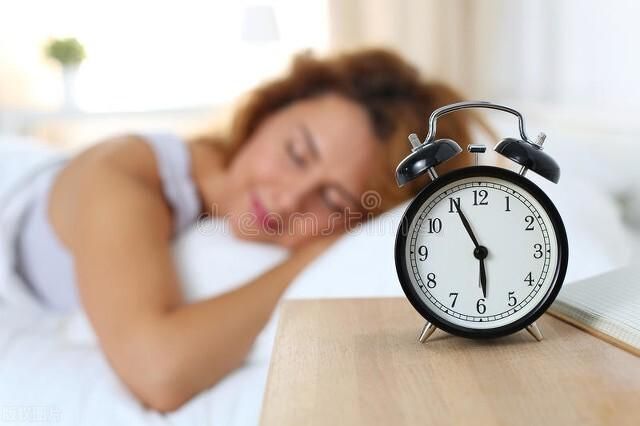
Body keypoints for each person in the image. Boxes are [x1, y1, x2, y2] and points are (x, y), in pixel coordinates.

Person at [15, 48, 484, 411]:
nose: (288, 199)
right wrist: (306, 259)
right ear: (267, 111)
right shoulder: (125, 176)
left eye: (332, 199)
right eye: (296, 153)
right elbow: (159, 373)